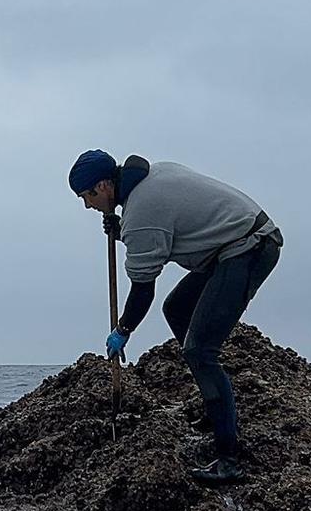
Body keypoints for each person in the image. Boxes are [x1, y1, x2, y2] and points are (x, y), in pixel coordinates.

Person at [69, 148, 282, 485]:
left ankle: (228, 460)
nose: (87, 206)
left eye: (87, 196)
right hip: (230, 244)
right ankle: (215, 409)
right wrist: (122, 230)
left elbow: (143, 289)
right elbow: (161, 230)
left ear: (105, 186)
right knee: (177, 308)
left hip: (248, 247)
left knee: (200, 350)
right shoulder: (152, 178)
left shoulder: (142, 210)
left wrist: (122, 330)